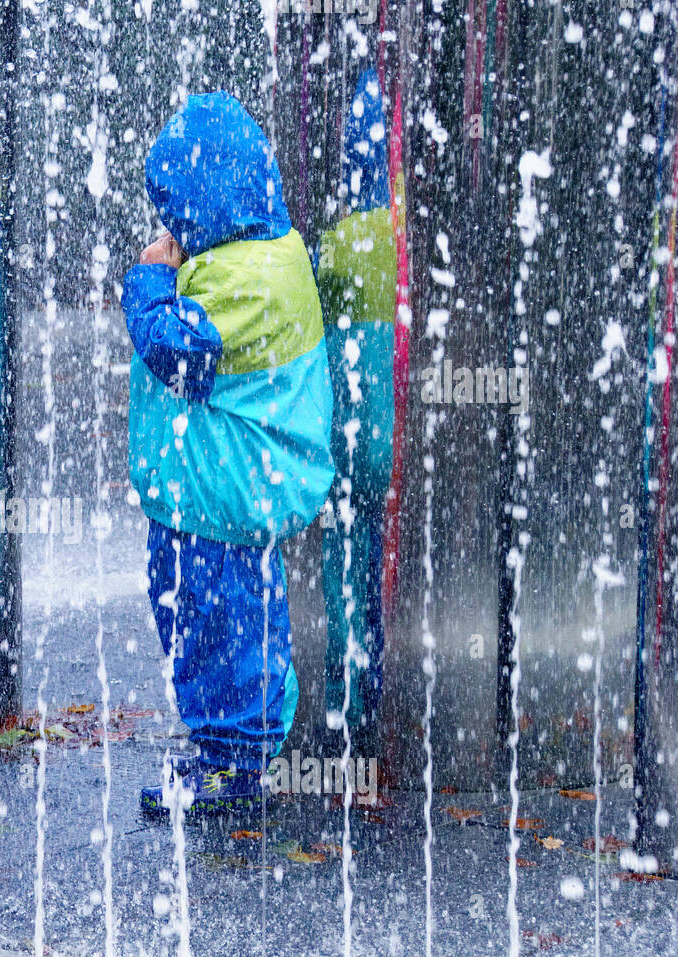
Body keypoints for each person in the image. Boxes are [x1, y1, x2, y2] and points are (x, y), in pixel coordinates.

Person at [122, 92, 334, 816]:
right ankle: (239, 742)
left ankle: (235, 762)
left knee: (215, 623)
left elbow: (176, 354)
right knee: (222, 618)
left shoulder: (240, 277)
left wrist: (151, 279)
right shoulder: (269, 254)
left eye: (176, 212)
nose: (171, 229)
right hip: (220, 493)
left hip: (220, 497)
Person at [315, 67, 396, 751]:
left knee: (346, 554)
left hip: (346, 437)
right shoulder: (400, 239)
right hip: (392, 436)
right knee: (376, 550)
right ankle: (383, 675)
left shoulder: (338, 246)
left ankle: (350, 686)